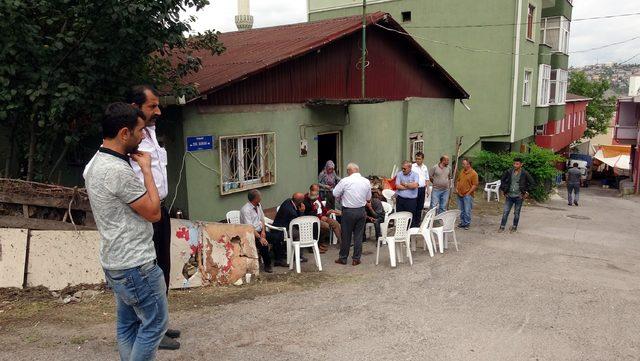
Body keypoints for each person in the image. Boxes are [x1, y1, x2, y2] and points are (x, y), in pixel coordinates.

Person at [82, 86, 179, 349]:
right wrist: (146, 170)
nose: (157, 112)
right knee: (153, 324)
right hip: (134, 258)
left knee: (127, 325)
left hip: (117, 256)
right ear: (126, 132)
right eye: (138, 132)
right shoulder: (118, 168)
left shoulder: (95, 164)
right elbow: (151, 211)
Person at [333, 163, 371, 266]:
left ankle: (343, 258)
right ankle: (356, 259)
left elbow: (335, 193)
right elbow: (368, 198)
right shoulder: (366, 181)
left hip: (348, 211)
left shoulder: (345, 181)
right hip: (361, 211)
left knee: (346, 235)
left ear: (349, 171)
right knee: (358, 236)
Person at [240, 190, 279, 273]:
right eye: (260, 196)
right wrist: (260, 238)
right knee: (263, 244)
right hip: (250, 234)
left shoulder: (258, 205)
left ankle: (278, 259)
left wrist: (263, 232)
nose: (261, 198)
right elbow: (250, 228)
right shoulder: (246, 210)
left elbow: (262, 219)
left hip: (260, 231)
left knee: (276, 238)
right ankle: (267, 265)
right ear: (255, 198)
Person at [268, 193, 308, 264]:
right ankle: (298, 256)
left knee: (298, 231)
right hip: (281, 230)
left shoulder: (289, 201)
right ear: (300, 202)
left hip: (286, 226)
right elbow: (298, 222)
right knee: (299, 233)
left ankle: (295, 253)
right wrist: (302, 212)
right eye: (302, 200)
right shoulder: (291, 211)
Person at [499, 157, 536, 232]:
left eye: (517, 164)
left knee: (516, 213)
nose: (515, 165)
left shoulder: (524, 173)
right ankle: (502, 227)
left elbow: (532, 183)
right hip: (509, 196)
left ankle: (514, 227)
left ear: (521, 164)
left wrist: (527, 192)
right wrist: (504, 190)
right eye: (514, 164)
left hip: (519, 196)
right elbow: (502, 180)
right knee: (505, 211)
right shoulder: (509, 171)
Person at [303, 184, 341, 251]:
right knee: (325, 226)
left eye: (318, 191)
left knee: (335, 223)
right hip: (314, 219)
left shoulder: (317, 196)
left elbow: (322, 207)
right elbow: (309, 213)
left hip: (323, 216)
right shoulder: (306, 199)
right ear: (310, 190)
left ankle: (342, 243)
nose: (317, 193)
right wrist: (320, 217)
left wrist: (326, 212)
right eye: (315, 191)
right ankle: (319, 243)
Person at [455, 158, 479, 230]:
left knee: (467, 210)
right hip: (459, 194)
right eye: (462, 164)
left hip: (467, 195)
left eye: (464, 164)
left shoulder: (474, 174)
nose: (462, 165)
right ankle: (462, 223)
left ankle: (467, 223)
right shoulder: (462, 171)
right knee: (461, 210)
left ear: (468, 165)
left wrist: (468, 193)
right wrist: (457, 188)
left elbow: (475, 185)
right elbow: (458, 180)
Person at [395, 160, 420, 227]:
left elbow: (415, 186)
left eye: (404, 168)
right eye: (402, 168)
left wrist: (404, 184)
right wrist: (409, 186)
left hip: (411, 201)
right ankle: (400, 234)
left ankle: (410, 234)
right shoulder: (399, 174)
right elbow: (397, 186)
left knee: (410, 218)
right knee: (399, 218)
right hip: (400, 200)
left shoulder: (415, 175)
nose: (403, 170)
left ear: (410, 168)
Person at [412, 152, 431, 225]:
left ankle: (417, 222)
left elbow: (427, 179)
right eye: (416, 159)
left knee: (420, 206)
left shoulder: (424, 167)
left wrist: (428, 189)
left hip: (422, 189)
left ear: (422, 159)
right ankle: (412, 223)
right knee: (414, 206)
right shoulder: (413, 166)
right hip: (414, 189)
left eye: (419, 159)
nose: (417, 160)